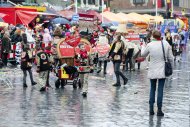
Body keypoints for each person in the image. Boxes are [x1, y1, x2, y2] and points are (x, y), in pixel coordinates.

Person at [141, 30, 174, 116]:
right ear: (160, 36)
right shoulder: (166, 44)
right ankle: (159, 110)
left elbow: (143, 54)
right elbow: (171, 58)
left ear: (153, 36)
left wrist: (143, 46)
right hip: (162, 70)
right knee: (160, 90)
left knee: (152, 88)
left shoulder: (150, 45)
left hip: (152, 70)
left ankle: (151, 109)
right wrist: (171, 69)